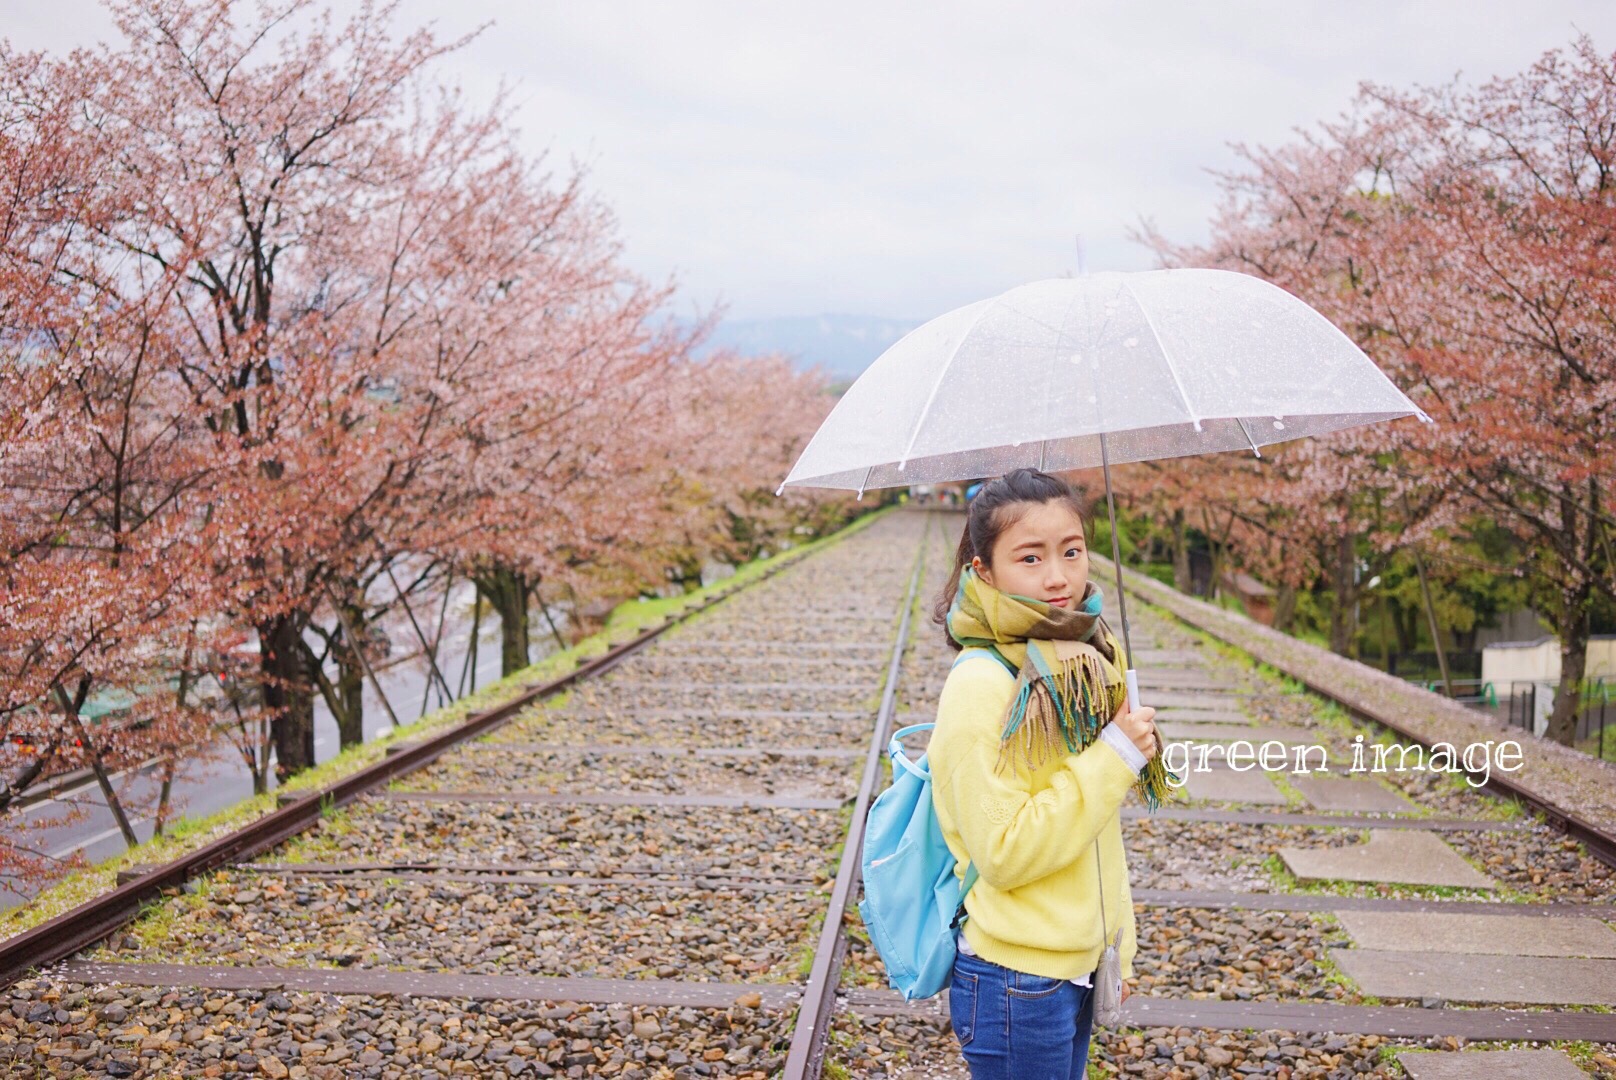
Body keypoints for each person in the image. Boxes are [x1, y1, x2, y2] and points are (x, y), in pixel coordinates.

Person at [928, 467, 1160, 1079]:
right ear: (984, 570)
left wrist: (1116, 950)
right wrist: (1112, 756)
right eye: (1030, 558)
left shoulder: (1085, 659)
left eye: (1072, 551)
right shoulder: (982, 684)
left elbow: (1096, 834)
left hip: (1072, 966)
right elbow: (1003, 851)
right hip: (1016, 981)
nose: (1059, 577)